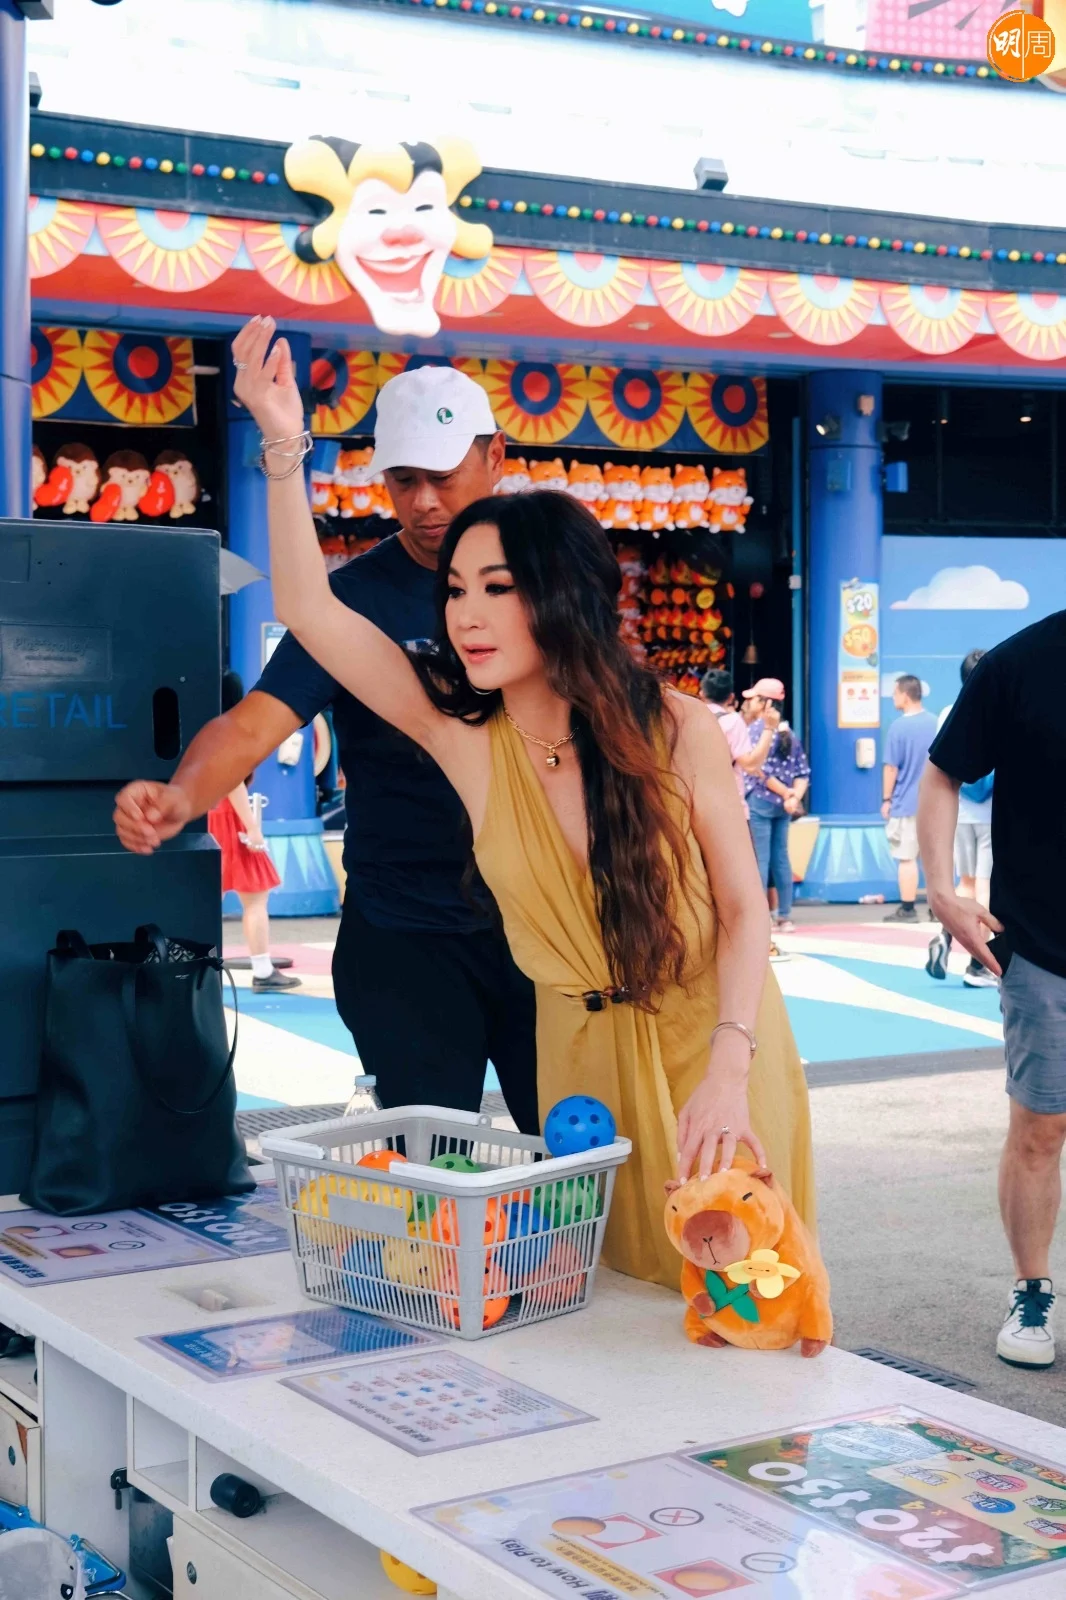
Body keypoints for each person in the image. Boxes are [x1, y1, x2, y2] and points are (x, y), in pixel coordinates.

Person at [224, 316, 819, 1306]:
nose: (464, 614)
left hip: (714, 1050)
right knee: (597, 1302)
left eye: (494, 588)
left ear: (559, 598)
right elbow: (315, 613)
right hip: (578, 1065)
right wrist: (284, 446)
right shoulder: (466, 739)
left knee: (744, 1304)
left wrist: (728, 1066)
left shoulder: (675, 727)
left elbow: (741, 908)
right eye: (455, 590)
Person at [113, 358, 539, 1136]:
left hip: (547, 920)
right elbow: (252, 723)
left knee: (581, 1152)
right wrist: (182, 796)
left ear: (496, 457)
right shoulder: (354, 601)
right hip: (406, 932)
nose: (424, 500)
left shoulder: (552, 576)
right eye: (403, 479)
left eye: (443, 476)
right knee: (431, 1160)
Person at [919, 612, 1066, 1368]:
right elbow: (943, 771)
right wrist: (941, 890)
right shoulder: (1021, 663)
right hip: (1042, 944)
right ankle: (1031, 1289)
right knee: (1041, 1128)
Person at [207, 670, 301, 993]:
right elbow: (233, 781)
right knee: (256, 898)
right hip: (230, 818)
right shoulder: (230, 730)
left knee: (207, 899)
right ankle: (262, 969)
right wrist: (252, 828)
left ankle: (199, 966)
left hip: (206, 815)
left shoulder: (199, 726)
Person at [926, 649, 995, 988]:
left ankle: (945, 935)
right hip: (991, 814)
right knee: (985, 885)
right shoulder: (1002, 710)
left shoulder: (947, 713)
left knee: (964, 883)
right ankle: (977, 964)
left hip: (958, 811)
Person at [743, 684, 810, 937]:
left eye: (754, 699)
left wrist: (785, 794)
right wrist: (793, 797)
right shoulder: (789, 733)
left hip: (760, 802)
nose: (750, 703)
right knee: (781, 858)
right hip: (783, 807)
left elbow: (757, 771)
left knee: (760, 860)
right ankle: (785, 915)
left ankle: (763, 917)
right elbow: (802, 772)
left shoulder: (756, 731)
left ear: (766, 703)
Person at [881, 675, 937, 924]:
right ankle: (937, 911)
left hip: (906, 803)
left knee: (907, 858)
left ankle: (907, 909)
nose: (893, 698)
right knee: (933, 860)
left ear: (905, 695)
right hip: (935, 803)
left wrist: (886, 799)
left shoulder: (898, 727)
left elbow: (891, 768)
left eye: (895, 693)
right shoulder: (936, 723)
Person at [698, 668, 773, 814]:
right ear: (731, 697)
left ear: (701, 694)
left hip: (697, 805)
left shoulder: (689, 720)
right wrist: (769, 728)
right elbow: (750, 765)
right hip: (728, 805)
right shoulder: (732, 721)